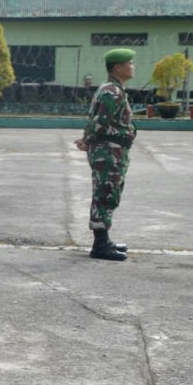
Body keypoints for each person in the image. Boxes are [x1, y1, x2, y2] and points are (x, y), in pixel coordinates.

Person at [75, 48, 137, 261]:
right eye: (129, 63)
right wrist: (88, 140)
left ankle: (104, 240)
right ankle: (100, 245)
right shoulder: (112, 91)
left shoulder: (113, 88)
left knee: (109, 193)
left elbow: (95, 120)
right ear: (117, 67)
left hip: (112, 150)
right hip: (108, 152)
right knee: (105, 194)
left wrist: (87, 140)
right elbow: (99, 122)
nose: (132, 66)